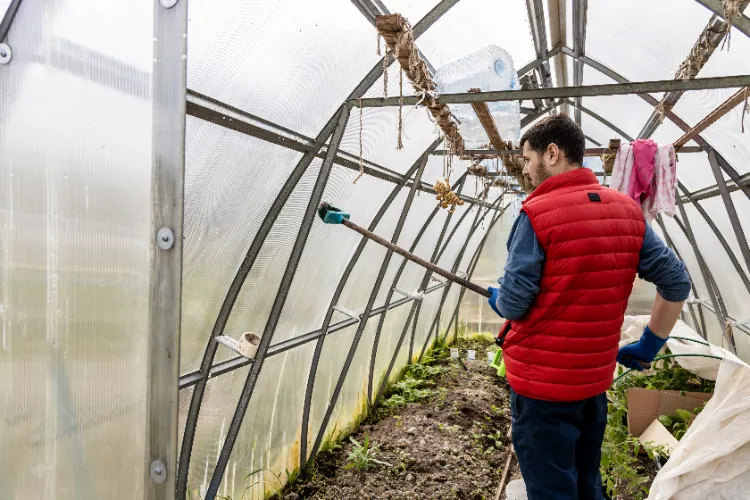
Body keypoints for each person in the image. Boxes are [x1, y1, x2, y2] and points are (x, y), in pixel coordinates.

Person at [486, 114, 691, 500]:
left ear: (552, 153)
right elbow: (677, 282)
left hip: (541, 391)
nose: (526, 172)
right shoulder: (629, 212)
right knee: (585, 482)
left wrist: (498, 298)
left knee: (550, 488)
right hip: (592, 385)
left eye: (528, 160)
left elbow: (515, 303)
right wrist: (650, 343)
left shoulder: (536, 214)